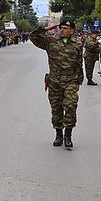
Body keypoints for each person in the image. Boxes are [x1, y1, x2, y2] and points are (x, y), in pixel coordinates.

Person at [30, 20, 83, 148]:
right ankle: (59, 135)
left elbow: (79, 63)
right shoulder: (51, 41)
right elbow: (33, 37)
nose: (62, 30)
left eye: (66, 28)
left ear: (72, 31)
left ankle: (68, 135)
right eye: (61, 28)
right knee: (56, 108)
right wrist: (46, 28)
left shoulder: (77, 43)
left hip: (70, 79)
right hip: (54, 80)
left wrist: (78, 81)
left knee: (71, 105)